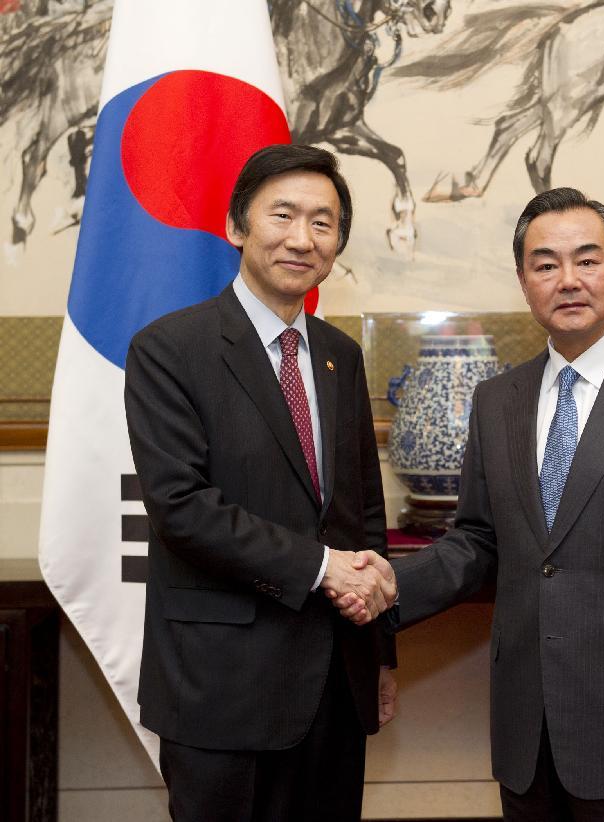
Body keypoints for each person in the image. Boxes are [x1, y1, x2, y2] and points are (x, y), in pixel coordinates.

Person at [335, 188, 604, 821]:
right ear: (524, 281)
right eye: (545, 264)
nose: (569, 280)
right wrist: (387, 585)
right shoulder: (498, 400)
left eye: (588, 259)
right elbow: (477, 542)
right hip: (527, 723)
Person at [124, 144, 398, 821]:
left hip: (337, 683)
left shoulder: (340, 356)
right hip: (221, 686)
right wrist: (324, 568)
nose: (302, 238)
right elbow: (182, 509)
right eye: (283, 215)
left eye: (323, 222)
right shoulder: (169, 349)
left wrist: (381, 654)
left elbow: (361, 511)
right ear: (236, 226)